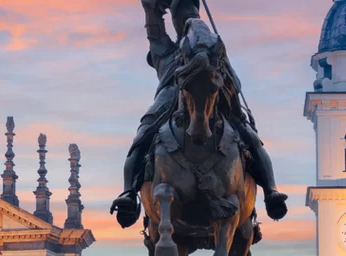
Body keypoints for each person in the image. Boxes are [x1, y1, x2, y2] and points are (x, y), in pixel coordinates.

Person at [112, 0, 288, 228]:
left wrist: (221, 77)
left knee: (249, 136)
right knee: (142, 136)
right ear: (175, 22)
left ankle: (270, 191)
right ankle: (128, 192)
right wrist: (150, 7)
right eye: (181, 15)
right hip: (169, 100)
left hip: (213, 97)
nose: (187, 18)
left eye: (191, 13)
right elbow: (154, 29)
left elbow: (234, 81)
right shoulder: (166, 52)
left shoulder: (213, 47)